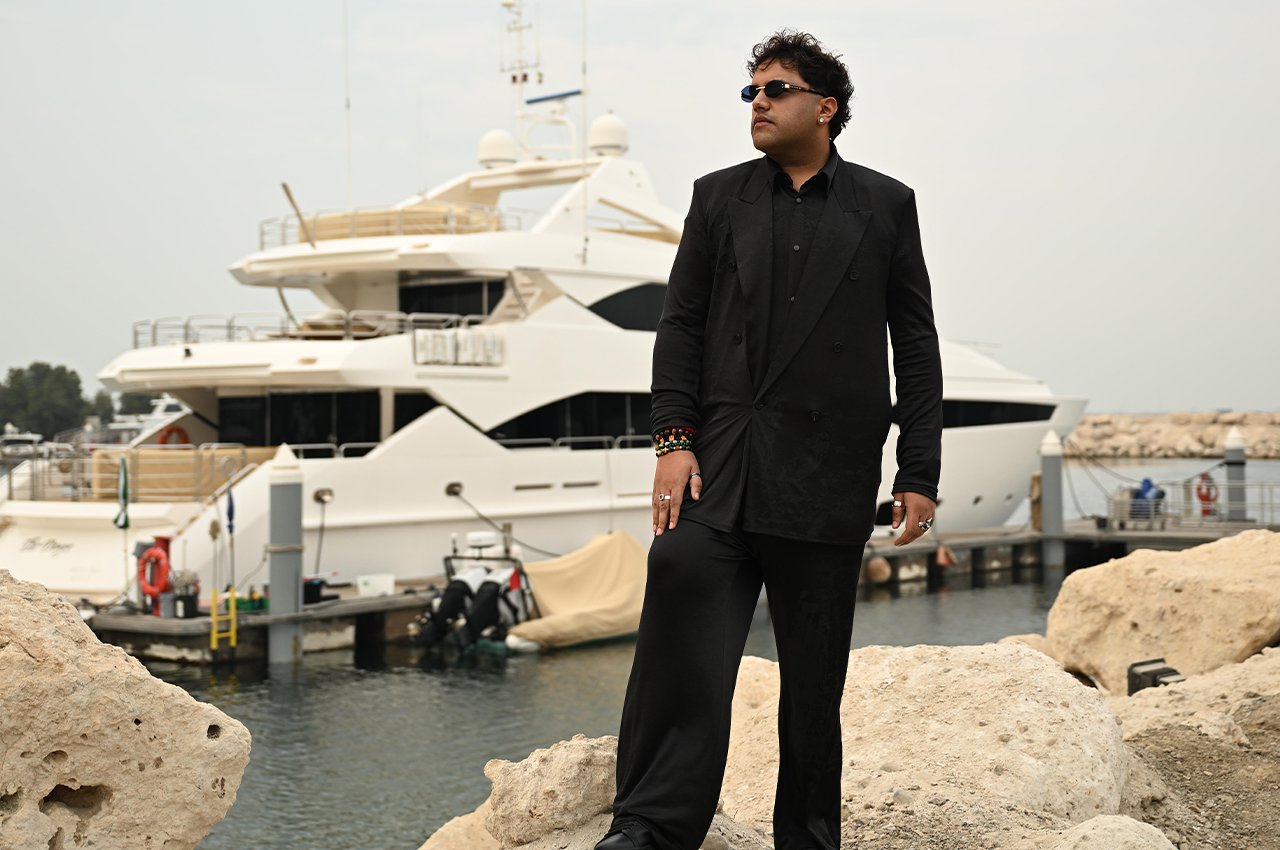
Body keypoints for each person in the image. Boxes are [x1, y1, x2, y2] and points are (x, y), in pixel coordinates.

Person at [595, 30, 943, 850]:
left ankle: (809, 839)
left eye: (775, 89)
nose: (757, 102)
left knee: (813, 683)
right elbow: (680, 324)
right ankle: (648, 825)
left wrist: (919, 469)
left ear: (824, 107)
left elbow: (914, 342)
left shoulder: (885, 204)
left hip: (828, 472)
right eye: (750, 91)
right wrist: (673, 439)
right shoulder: (718, 197)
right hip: (719, 465)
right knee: (679, 611)